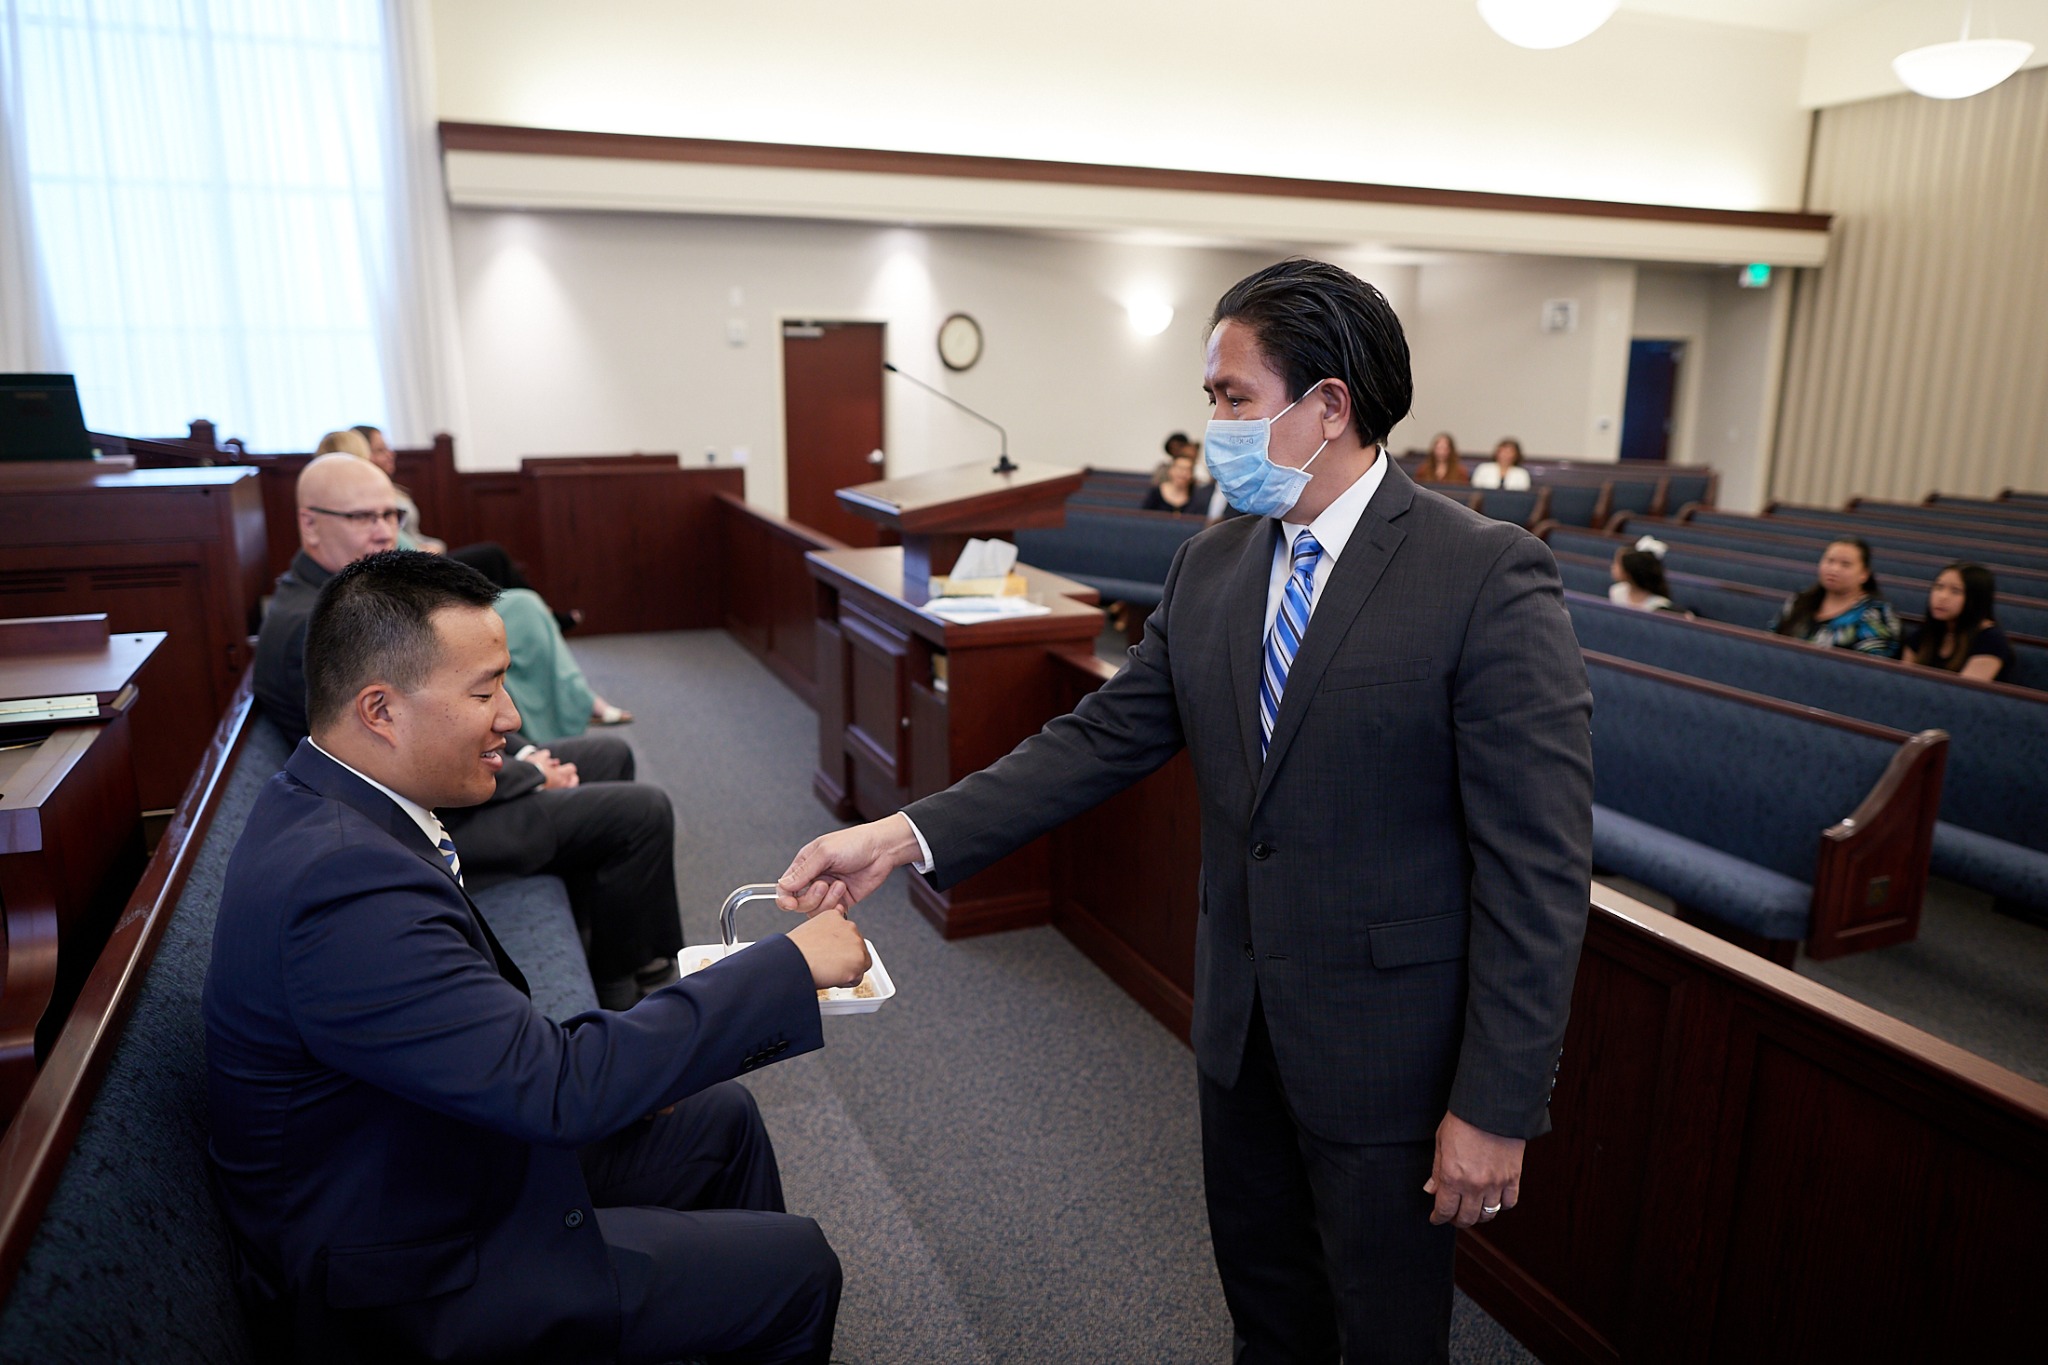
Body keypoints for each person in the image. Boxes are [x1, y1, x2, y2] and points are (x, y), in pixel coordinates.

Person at [776, 260, 1593, 1363]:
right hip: (1239, 1030)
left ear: (1328, 406)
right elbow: (1098, 740)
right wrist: (901, 833)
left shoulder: (1485, 575)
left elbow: (1536, 869)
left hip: (1385, 1055)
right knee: (1267, 1315)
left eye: (1230, 398)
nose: (1211, 423)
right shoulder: (1213, 564)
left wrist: (1495, 1104)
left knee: (1387, 1333)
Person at [208, 549, 864, 1363]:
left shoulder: (335, 808)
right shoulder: (341, 883)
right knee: (796, 1266)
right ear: (380, 709)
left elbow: (486, 1044)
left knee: (718, 1120)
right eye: (483, 691)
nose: (511, 715)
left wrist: (643, 1065)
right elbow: (553, 1089)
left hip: (425, 1152)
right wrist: (789, 966)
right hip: (406, 1279)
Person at [255, 455, 662, 1005]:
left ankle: (612, 944)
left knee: (610, 756)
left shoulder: (351, 600)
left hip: (419, 785)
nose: (382, 530)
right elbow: (389, 759)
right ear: (310, 523)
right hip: (429, 816)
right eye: (361, 517)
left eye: (389, 513)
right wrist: (526, 774)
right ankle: (621, 987)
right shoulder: (316, 628)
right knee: (641, 810)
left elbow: (445, 709)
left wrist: (526, 759)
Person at [349, 422, 586, 635]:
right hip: (416, 567)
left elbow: (411, 536)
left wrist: (431, 545)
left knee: (497, 562)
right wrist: (423, 551)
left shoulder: (394, 489)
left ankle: (541, 616)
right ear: (363, 455)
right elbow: (395, 544)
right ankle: (545, 616)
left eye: (388, 447)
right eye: (380, 450)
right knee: (493, 556)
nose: (391, 454)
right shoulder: (369, 499)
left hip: (424, 554)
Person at [1770, 537, 1901, 657]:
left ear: (1864, 574)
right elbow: (1771, 640)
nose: (1834, 569)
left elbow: (1872, 670)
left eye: (1845, 564)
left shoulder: (1875, 615)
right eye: (1829, 561)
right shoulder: (1800, 600)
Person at [1906, 562, 2017, 684]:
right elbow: (1903, 681)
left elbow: (1962, 696)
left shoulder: (1991, 641)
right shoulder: (1925, 633)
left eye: (1955, 591)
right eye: (1939, 587)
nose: (1942, 597)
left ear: (1975, 599)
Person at [1609, 535, 1676, 612]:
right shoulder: (1616, 592)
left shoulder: (1659, 605)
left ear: (1630, 571)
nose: (1612, 567)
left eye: (1617, 564)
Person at [1142, 450, 1211, 514]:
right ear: (1170, 470)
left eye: (1187, 469)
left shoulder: (1197, 496)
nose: (1183, 473)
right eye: (1179, 468)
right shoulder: (1155, 493)